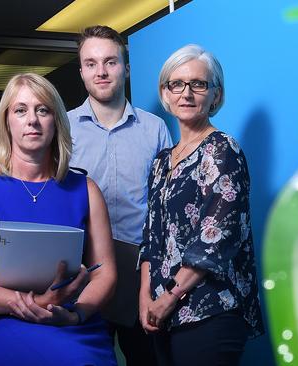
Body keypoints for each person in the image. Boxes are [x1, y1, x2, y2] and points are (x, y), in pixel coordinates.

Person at [0, 73, 118, 366]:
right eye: (20, 110)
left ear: (56, 122)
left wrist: (77, 314)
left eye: (43, 110)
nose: (32, 120)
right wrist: (30, 304)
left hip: (71, 322)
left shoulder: (86, 190)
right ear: (7, 122)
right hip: (2, 322)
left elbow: (105, 273)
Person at [138, 44, 265, 366]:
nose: (187, 93)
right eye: (176, 84)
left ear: (216, 95)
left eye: (198, 84)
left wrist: (169, 297)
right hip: (162, 314)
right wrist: (145, 299)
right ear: (165, 93)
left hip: (211, 310)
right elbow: (150, 238)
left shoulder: (223, 150)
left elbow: (216, 238)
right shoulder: (161, 161)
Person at [67, 25, 172, 366]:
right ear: (81, 71)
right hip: (81, 270)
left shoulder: (155, 128)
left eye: (110, 62)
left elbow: (165, 206)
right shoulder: (62, 128)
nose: (101, 71)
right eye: (91, 63)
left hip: (139, 272)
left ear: (126, 68)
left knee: (147, 360)